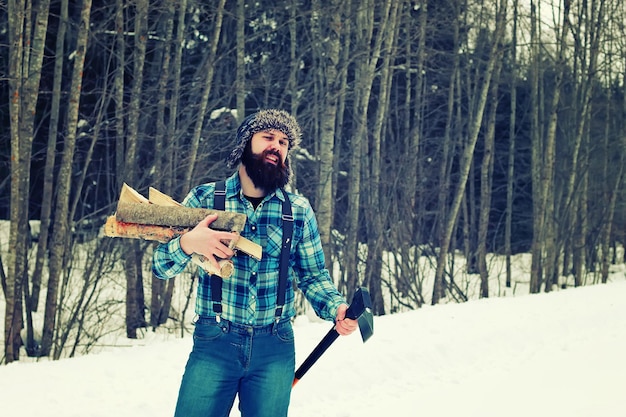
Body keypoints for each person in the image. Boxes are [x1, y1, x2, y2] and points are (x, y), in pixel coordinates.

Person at [152, 109, 358, 417]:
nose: (277, 145)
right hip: (215, 342)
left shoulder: (298, 211)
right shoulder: (206, 198)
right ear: (246, 143)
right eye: (268, 137)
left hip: (274, 348)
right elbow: (160, 266)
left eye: (284, 142)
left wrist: (337, 308)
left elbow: (313, 276)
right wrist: (187, 243)